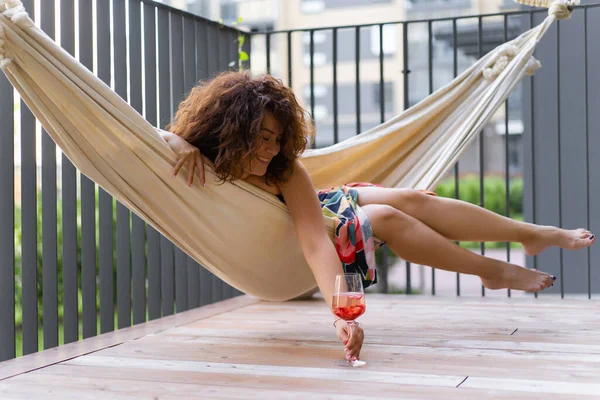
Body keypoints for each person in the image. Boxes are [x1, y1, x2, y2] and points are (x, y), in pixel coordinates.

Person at [160, 70, 595, 364]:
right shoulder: (199, 157)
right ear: (231, 130)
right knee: (383, 214)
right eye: (263, 137)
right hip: (304, 240)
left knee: (410, 197)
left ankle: (534, 234)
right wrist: (345, 317)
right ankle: (491, 270)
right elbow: (149, 144)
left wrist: (339, 315)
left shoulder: (285, 169)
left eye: (279, 138)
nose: (272, 149)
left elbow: (315, 233)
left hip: (324, 208)